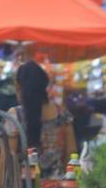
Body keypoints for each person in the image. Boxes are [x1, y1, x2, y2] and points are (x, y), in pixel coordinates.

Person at [6, 51, 75, 180]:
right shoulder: (62, 113)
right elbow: (71, 151)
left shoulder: (15, 115)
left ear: (20, 87)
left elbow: (9, 157)